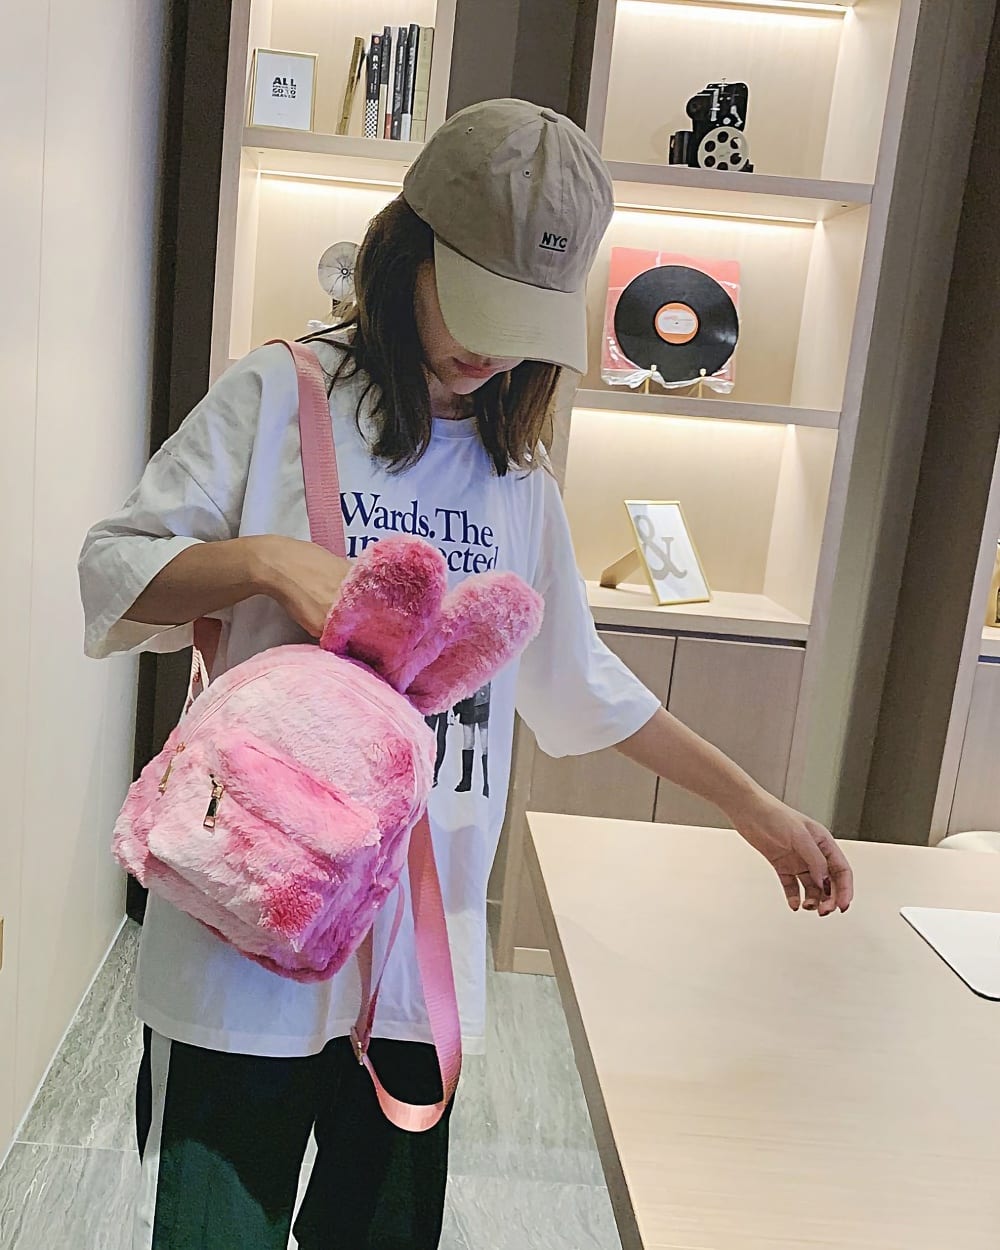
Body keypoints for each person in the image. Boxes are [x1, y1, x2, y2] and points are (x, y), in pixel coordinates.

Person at [79, 99, 853, 1250]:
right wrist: (264, 563)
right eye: (471, 299)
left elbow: (585, 685)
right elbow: (114, 572)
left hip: (416, 950)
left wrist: (756, 806)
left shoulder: (516, 479)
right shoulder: (279, 397)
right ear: (407, 252)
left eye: (521, 319)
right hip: (254, 929)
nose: (489, 349)